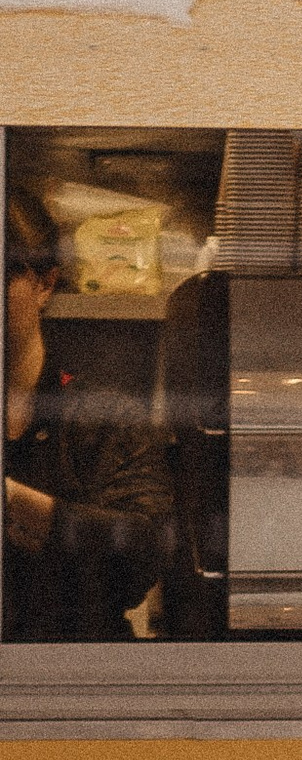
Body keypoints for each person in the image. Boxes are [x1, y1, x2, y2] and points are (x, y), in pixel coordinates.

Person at [4, 188, 173, 641]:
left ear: (45, 283)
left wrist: (16, 502)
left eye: (4, 275)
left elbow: (145, 552)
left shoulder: (104, 417)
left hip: (77, 674)